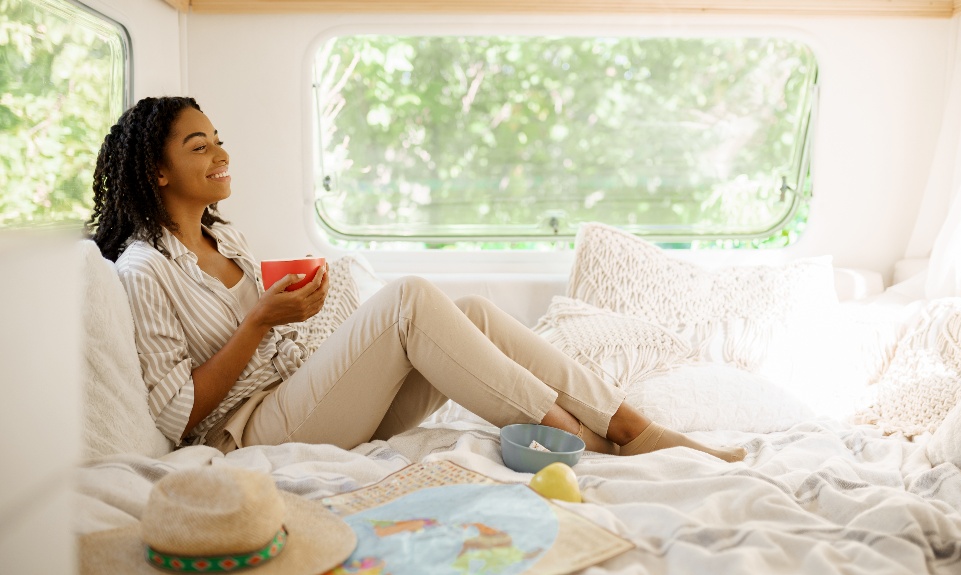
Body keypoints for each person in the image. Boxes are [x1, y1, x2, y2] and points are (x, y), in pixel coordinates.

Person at [86, 96, 746, 463]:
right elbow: (176, 415)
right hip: (253, 428)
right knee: (407, 299)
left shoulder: (223, 235)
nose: (222, 153)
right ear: (157, 173)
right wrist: (261, 317)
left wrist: (293, 313)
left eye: (218, 137)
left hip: (305, 395)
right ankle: (594, 441)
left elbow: (275, 336)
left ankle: (630, 423)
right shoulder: (145, 269)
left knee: (475, 311)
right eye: (199, 146)